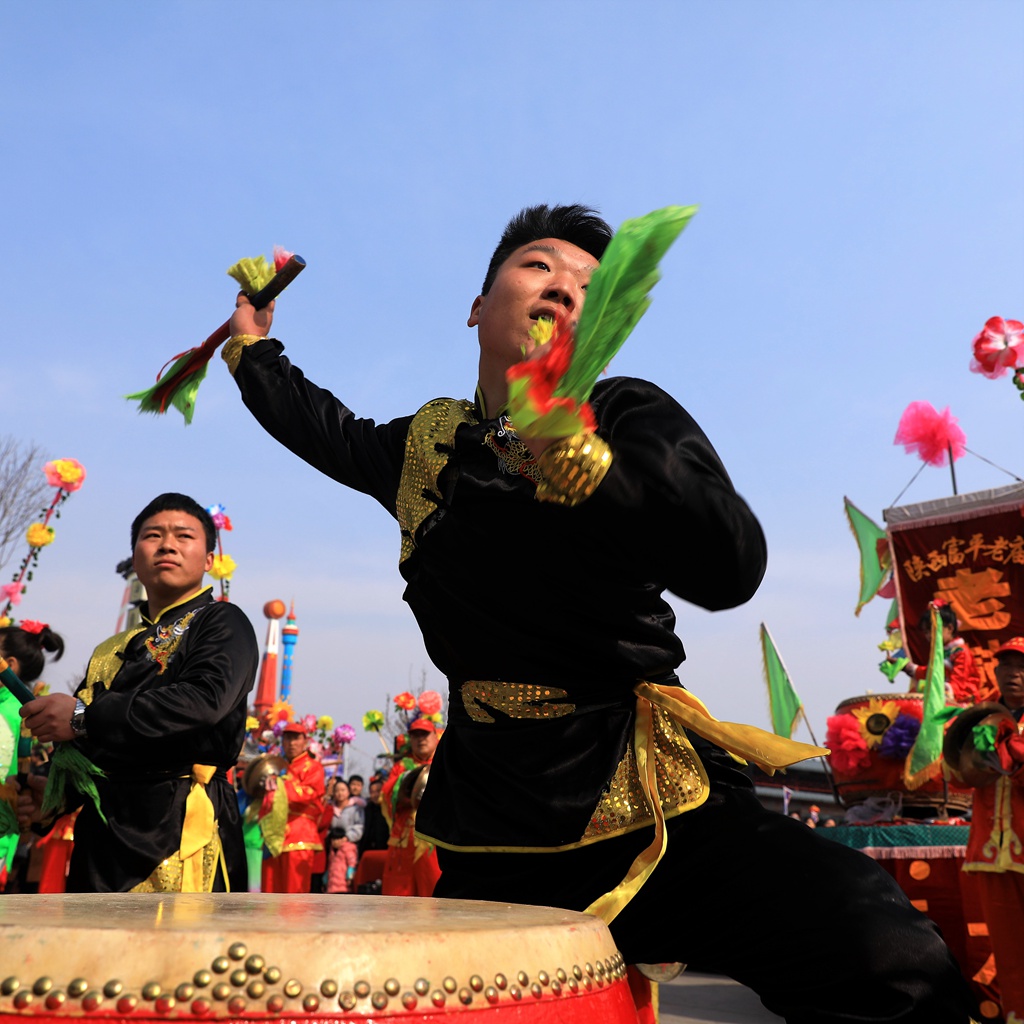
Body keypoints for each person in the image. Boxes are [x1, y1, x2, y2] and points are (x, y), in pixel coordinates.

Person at [224, 204, 976, 1020]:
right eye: (540, 265)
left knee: (886, 958)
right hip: (492, 818)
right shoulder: (425, 445)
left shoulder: (623, 411)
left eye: (590, 284)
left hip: (647, 798)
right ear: (479, 306)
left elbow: (730, 565)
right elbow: (322, 426)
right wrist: (254, 348)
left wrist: (580, 456)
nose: (565, 287)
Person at [19, 493, 258, 892]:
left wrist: (83, 716)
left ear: (210, 560)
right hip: (102, 839)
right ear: (134, 556)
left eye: (184, 536)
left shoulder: (221, 622)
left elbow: (204, 702)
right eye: (152, 535)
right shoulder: (109, 650)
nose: (167, 544)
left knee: (182, 954)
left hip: (179, 826)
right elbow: (89, 755)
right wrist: (52, 797)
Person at [959, 638, 1024, 1022]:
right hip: (989, 855)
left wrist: (1010, 750)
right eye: (1006, 667)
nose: (1013, 674)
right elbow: (959, 773)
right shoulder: (981, 718)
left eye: (1021, 667)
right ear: (995, 673)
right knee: (1010, 955)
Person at [258, 721, 325, 893]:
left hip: (299, 834)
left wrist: (280, 784)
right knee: (270, 893)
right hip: (273, 836)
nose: (291, 743)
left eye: (296, 738)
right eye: (287, 738)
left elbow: (309, 793)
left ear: (305, 741)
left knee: (295, 898)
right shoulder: (275, 766)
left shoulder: (313, 767)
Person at [380, 718, 440, 897]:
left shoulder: (444, 762)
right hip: (404, 841)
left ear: (435, 736)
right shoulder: (401, 767)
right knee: (398, 895)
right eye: (415, 735)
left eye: (425, 734)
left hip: (435, 842)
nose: (420, 739)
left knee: (434, 892)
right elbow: (387, 795)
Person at [897, 601, 984, 704]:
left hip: (963, 702)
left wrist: (938, 692)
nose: (929, 635)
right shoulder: (940, 653)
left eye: (933, 629)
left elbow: (958, 684)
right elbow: (930, 673)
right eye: (926, 632)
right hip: (943, 698)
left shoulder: (961, 652)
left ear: (950, 628)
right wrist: (907, 667)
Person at [325, 777, 364, 893]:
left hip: (348, 848)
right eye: (337, 790)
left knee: (346, 881)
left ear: (348, 792)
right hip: (333, 848)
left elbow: (359, 827)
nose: (339, 793)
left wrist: (346, 838)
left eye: (343, 790)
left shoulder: (355, 809)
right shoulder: (331, 808)